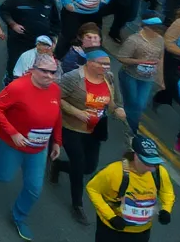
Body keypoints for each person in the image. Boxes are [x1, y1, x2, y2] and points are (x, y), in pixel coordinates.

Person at [0, 51, 63, 241]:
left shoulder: (55, 90)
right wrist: (13, 132)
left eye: (53, 72)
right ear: (33, 70)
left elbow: (56, 115)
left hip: (38, 149)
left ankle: (18, 216)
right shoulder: (18, 87)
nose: (50, 76)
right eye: (45, 72)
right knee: (3, 175)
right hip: (11, 144)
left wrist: (57, 141)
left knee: (34, 188)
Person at [51, 49, 126, 226]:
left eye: (107, 64)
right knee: (78, 165)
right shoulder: (73, 77)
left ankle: (59, 165)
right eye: (101, 64)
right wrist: (76, 112)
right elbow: (56, 97)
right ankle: (77, 204)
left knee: (89, 167)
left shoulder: (108, 78)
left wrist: (117, 109)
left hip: (95, 129)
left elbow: (113, 99)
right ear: (89, 63)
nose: (105, 68)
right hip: (71, 127)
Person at [87, 135, 175, 241]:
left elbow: (167, 192)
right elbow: (93, 189)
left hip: (141, 233)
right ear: (135, 157)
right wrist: (111, 217)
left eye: (154, 163)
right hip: (112, 231)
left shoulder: (159, 172)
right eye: (147, 163)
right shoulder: (113, 171)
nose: (152, 168)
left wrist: (166, 210)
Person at [1, 0, 60, 80]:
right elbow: (4, 11)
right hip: (20, 40)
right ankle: (10, 80)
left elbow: (56, 22)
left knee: (37, 66)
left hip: (41, 43)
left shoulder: (50, 1)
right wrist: (13, 24)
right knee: (15, 62)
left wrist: (54, 39)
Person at [116, 13, 164, 134]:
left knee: (140, 105)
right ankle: (133, 130)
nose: (157, 31)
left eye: (158, 28)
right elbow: (121, 57)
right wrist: (139, 61)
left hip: (148, 78)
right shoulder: (134, 40)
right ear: (146, 27)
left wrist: (161, 78)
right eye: (155, 28)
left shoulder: (160, 40)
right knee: (132, 103)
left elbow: (161, 58)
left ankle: (127, 119)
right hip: (130, 75)